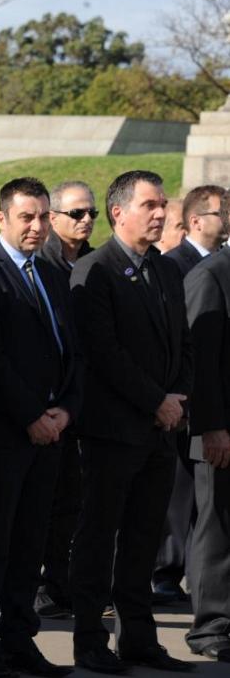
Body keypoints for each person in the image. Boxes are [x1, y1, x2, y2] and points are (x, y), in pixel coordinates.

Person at [68, 170, 194, 674]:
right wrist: (156, 401)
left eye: (163, 204)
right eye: (150, 205)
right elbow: (103, 353)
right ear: (118, 212)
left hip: (160, 431)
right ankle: (90, 642)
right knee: (100, 539)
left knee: (144, 541)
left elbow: (182, 343)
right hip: (113, 432)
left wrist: (178, 397)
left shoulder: (165, 269)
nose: (161, 213)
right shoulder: (95, 270)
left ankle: (139, 640)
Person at [0, 178, 82, 678]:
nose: (37, 226)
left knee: (32, 541)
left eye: (43, 216)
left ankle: (19, 639)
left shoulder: (52, 274)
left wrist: (65, 410)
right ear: (1, 219)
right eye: (26, 217)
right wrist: (32, 415)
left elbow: (72, 351)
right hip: (6, 435)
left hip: (51, 432)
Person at [154, 184, 227, 606]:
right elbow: (197, 349)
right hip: (187, 409)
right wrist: (205, 419)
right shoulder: (195, 269)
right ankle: (174, 578)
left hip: (196, 411)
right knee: (189, 502)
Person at [36, 180, 97, 621]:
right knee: (45, 503)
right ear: (53, 217)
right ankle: (40, 586)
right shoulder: (40, 264)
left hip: (85, 403)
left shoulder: (97, 263)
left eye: (91, 212)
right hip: (47, 404)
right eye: (76, 213)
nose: (86, 220)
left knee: (74, 503)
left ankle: (63, 582)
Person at [182, 201, 230, 665]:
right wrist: (212, 427)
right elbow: (201, 362)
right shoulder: (211, 274)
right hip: (220, 431)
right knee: (216, 528)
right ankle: (211, 625)